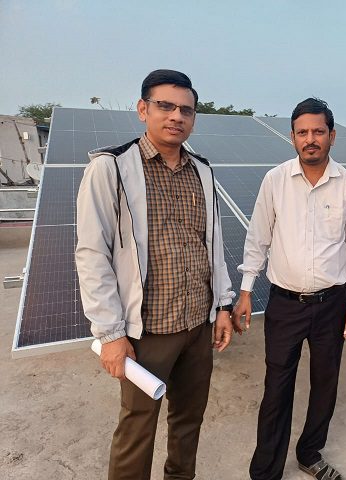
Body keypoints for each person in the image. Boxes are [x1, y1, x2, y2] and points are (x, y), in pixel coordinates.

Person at [75, 69, 235, 480]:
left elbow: (212, 245)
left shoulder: (202, 171)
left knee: (189, 420)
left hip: (197, 325)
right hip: (146, 332)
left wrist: (222, 306)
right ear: (143, 109)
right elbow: (92, 254)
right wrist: (110, 334)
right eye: (165, 106)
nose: (176, 116)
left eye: (186, 110)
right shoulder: (111, 168)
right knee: (137, 428)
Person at [232, 98, 346, 480]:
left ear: (332, 136)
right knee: (277, 387)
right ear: (292, 137)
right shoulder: (275, 181)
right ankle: (266, 471)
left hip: (332, 304)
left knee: (325, 384)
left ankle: (310, 453)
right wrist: (246, 291)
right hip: (285, 305)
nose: (311, 139)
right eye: (303, 132)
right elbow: (257, 238)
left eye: (318, 131)